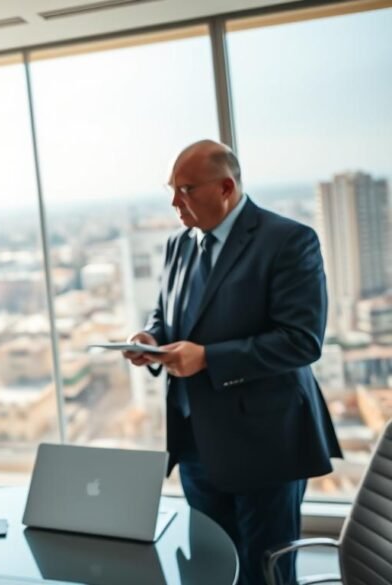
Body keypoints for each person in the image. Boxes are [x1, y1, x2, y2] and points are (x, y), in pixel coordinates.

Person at [123, 140, 341, 585]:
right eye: (171, 190)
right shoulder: (178, 244)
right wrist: (150, 339)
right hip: (195, 441)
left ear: (226, 187)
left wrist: (208, 359)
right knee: (211, 568)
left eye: (186, 189)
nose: (174, 202)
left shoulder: (289, 240)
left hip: (265, 442)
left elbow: (301, 341)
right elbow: (168, 316)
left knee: (265, 570)